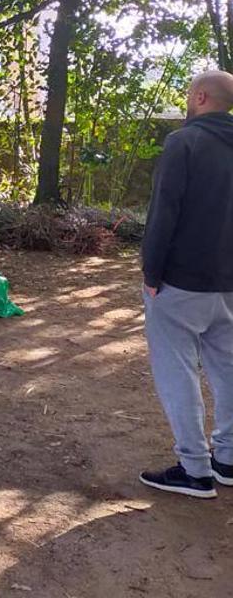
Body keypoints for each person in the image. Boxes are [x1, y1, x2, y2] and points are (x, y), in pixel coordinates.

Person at [139, 70, 233, 498]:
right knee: (228, 371)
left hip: (182, 281)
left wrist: (151, 274)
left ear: (200, 97)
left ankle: (194, 469)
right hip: (229, 284)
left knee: (178, 370)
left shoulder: (184, 142)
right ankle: (228, 460)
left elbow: (165, 212)